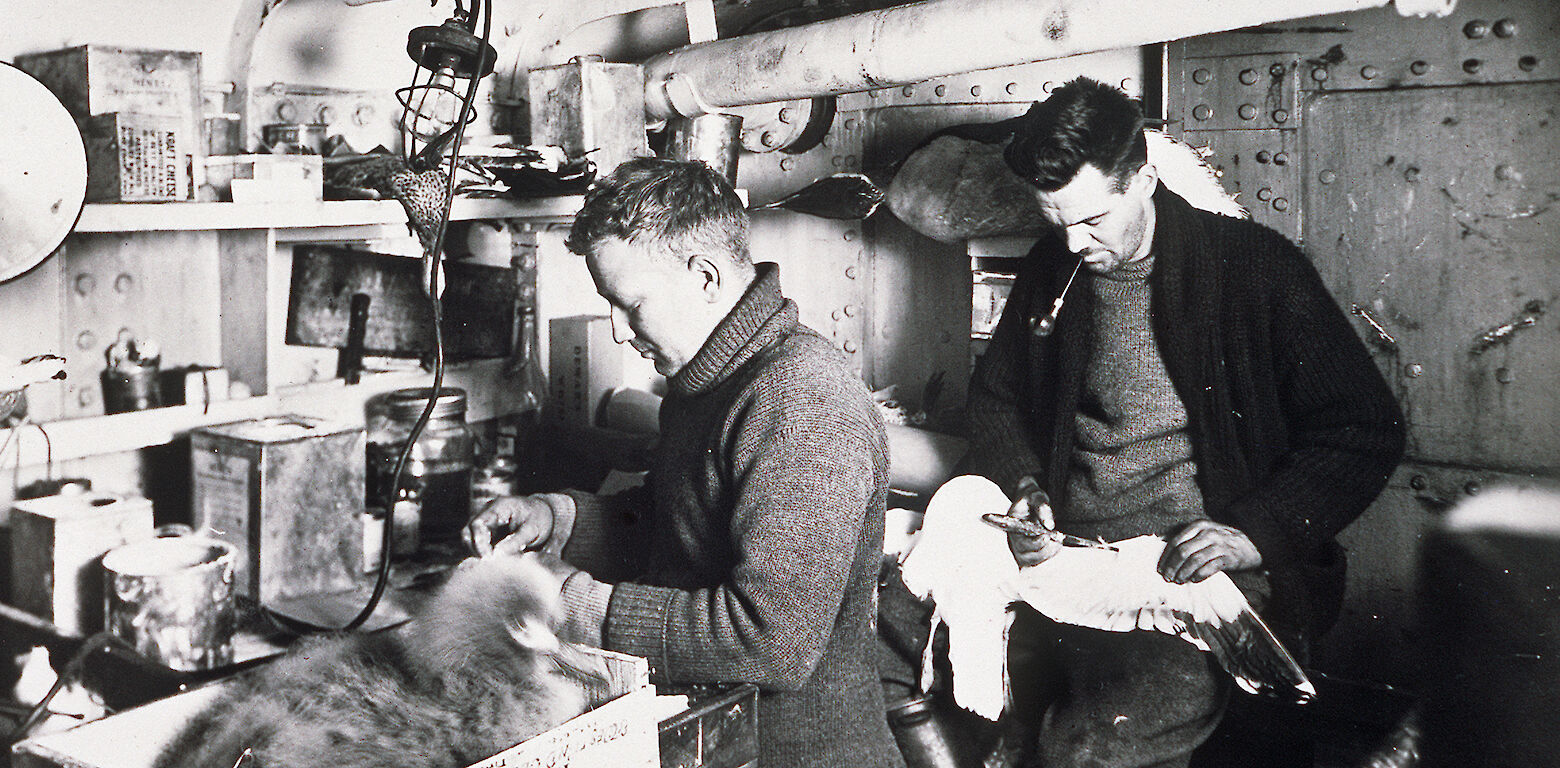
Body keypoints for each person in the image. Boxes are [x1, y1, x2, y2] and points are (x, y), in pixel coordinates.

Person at [965, 77, 1405, 767]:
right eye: (1056, 221)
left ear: (1143, 178)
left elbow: (1364, 429)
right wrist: (1025, 482)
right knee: (890, 638)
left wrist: (1254, 532)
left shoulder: (1256, 269)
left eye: (1092, 220)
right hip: (1069, 560)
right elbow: (994, 398)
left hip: (1189, 575)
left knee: (1085, 747)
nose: (1074, 244)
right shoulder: (1056, 266)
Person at [466, 157, 902, 768]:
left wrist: (580, 605)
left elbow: (768, 639)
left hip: (797, 753)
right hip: (717, 739)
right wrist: (559, 518)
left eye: (630, 304)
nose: (618, 331)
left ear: (705, 277)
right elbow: (686, 522)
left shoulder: (802, 396)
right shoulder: (708, 378)